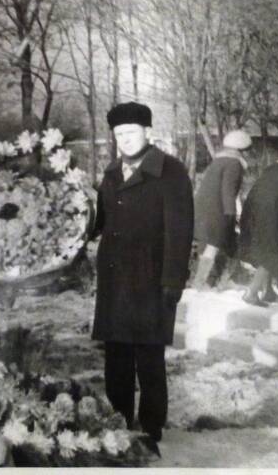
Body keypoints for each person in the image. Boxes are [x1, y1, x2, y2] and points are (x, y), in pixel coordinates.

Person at [90, 101, 194, 450]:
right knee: (117, 357)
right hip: (116, 281)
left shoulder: (171, 171)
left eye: (131, 132)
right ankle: (119, 421)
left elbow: (180, 231)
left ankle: (151, 428)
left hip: (151, 279)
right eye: (119, 134)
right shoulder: (110, 173)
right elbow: (99, 223)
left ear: (148, 132)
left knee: (149, 358)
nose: (125, 140)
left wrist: (173, 281)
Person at [190, 129, 252, 289]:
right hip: (217, 211)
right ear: (242, 150)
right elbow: (228, 191)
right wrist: (232, 214)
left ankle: (213, 280)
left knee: (214, 244)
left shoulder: (218, 161)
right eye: (247, 151)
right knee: (214, 245)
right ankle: (201, 282)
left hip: (203, 209)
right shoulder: (234, 164)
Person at [238, 158, 278, 307]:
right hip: (273, 220)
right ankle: (252, 293)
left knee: (264, 253)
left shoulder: (265, 177)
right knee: (271, 254)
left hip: (251, 220)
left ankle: (268, 291)